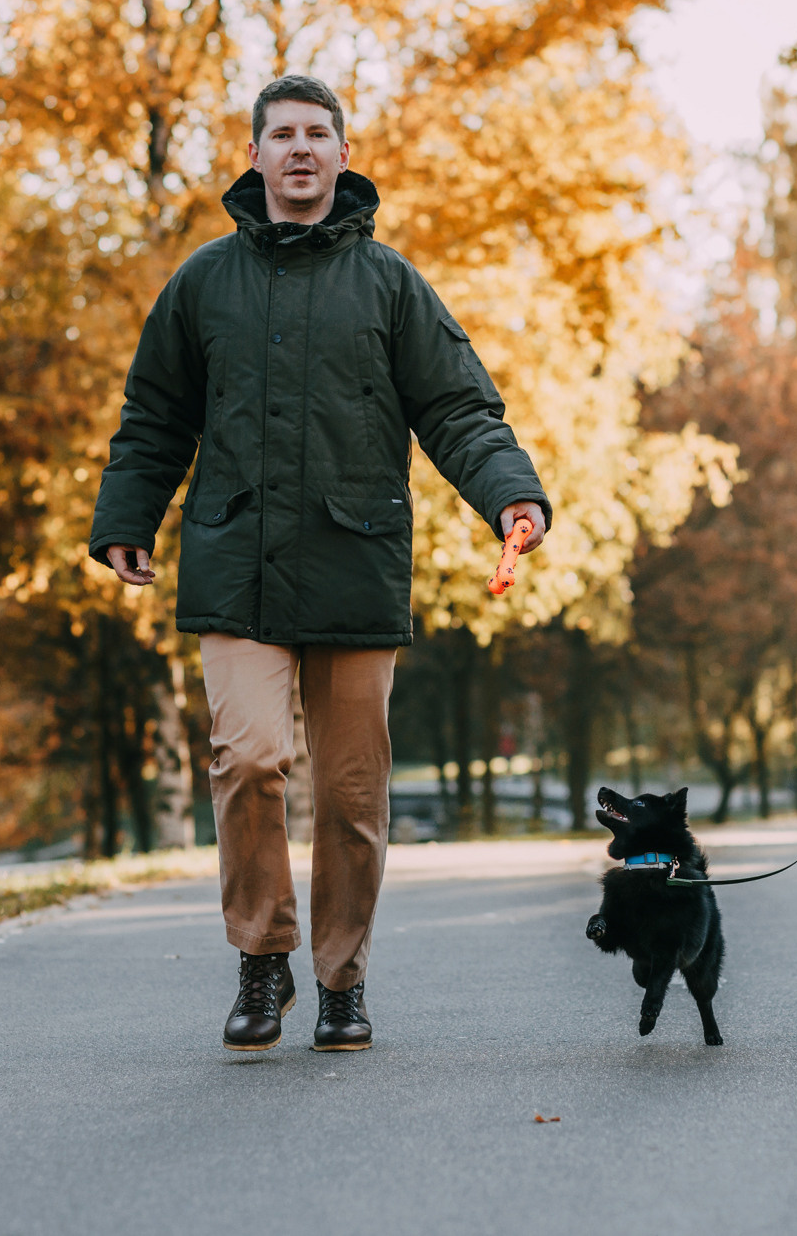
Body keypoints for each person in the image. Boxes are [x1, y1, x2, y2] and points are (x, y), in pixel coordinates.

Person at [89, 76, 551, 1053]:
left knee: (350, 797)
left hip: (355, 561)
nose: (299, 149)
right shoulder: (202, 283)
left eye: (317, 135)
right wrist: (128, 513)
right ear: (253, 157)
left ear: (343, 156)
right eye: (281, 135)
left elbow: (460, 409)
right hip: (234, 561)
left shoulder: (389, 284)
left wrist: (509, 491)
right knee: (248, 757)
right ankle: (263, 960)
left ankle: (340, 980)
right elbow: (154, 416)